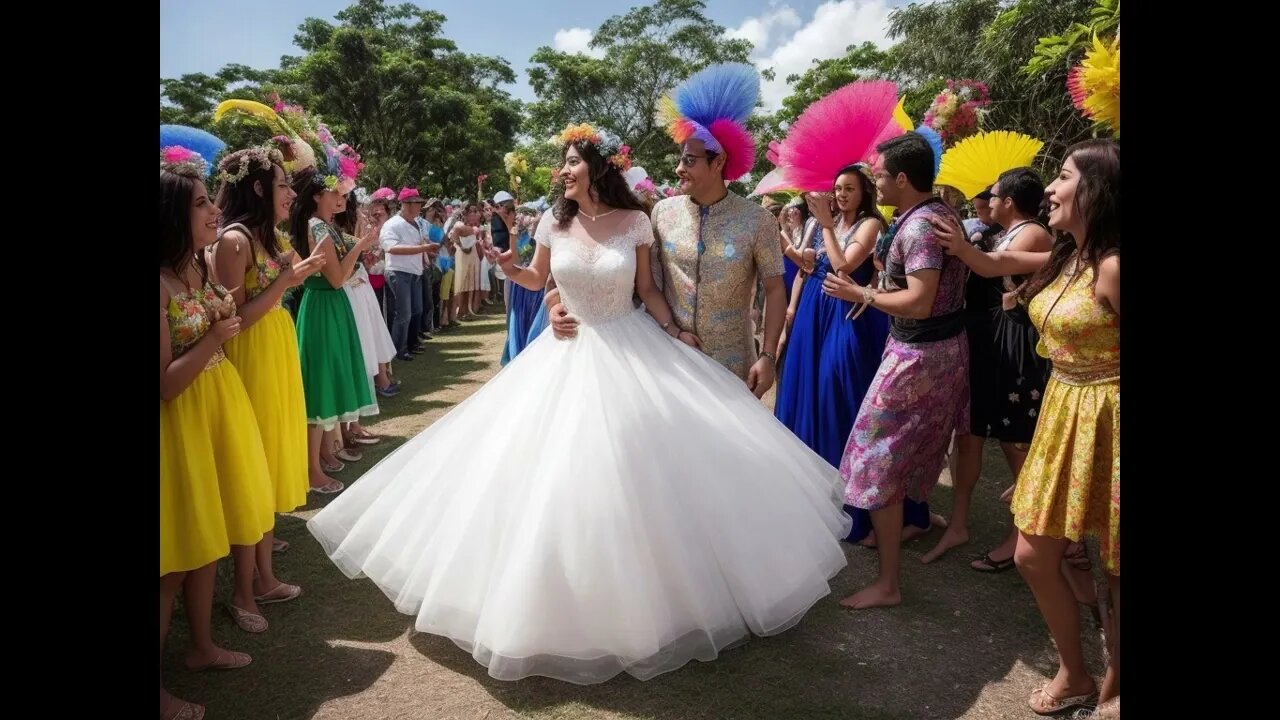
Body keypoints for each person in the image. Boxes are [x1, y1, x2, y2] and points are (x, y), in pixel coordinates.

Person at [307, 123, 852, 685]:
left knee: (648, 472)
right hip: (563, 352)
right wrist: (511, 268)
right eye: (560, 163)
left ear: (597, 165)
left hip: (632, 345)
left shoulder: (640, 219)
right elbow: (536, 276)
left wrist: (673, 332)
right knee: (549, 475)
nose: (562, 171)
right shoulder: (554, 219)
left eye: (570, 161)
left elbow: (647, 288)